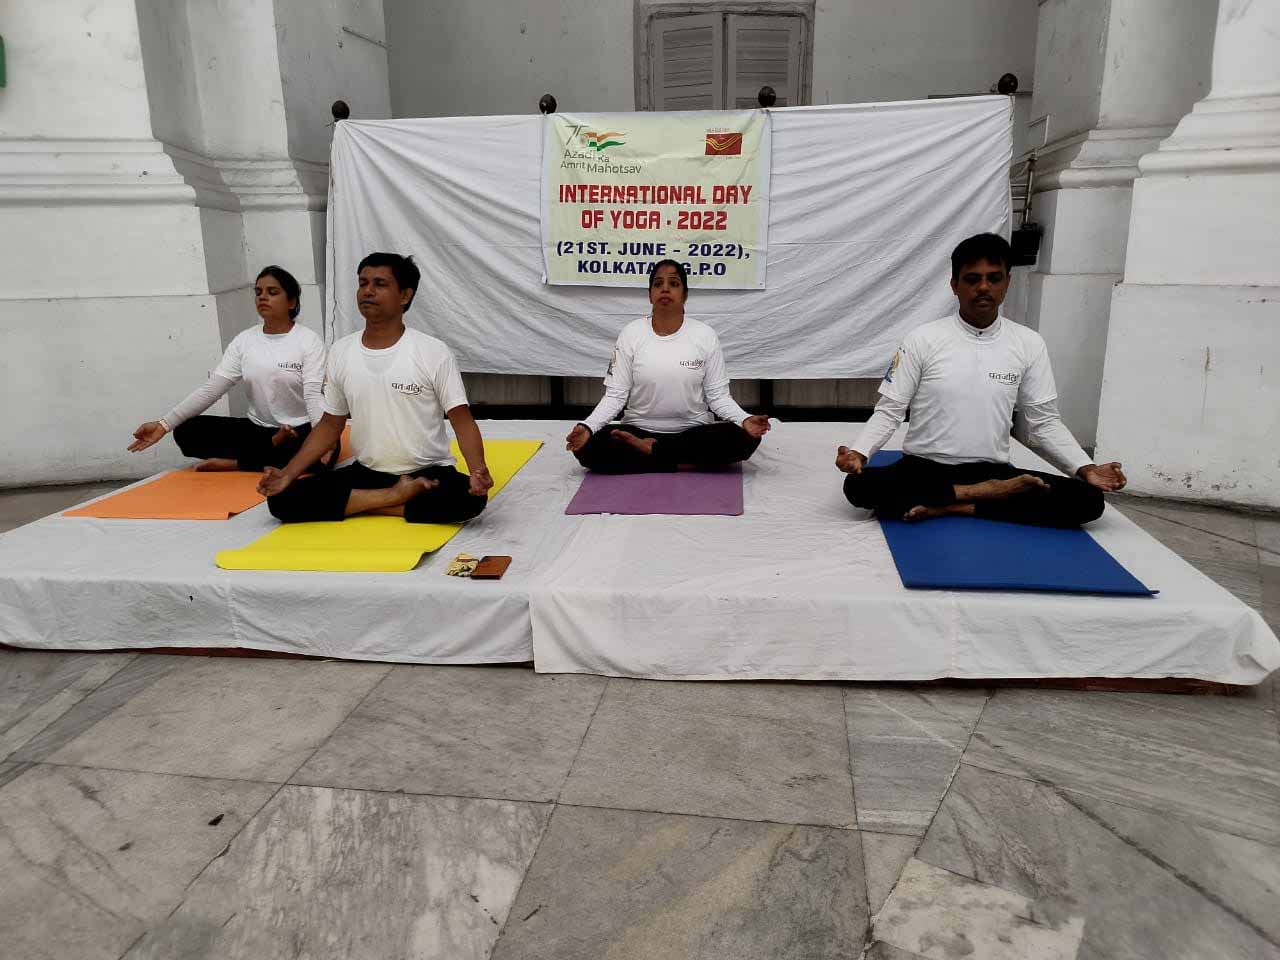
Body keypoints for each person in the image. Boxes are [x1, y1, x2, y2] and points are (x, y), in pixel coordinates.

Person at [837, 233, 1125, 527]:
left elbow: (1045, 421)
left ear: (1007, 283)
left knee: (1087, 500)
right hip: (923, 469)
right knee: (858, 487)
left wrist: (1086, 468)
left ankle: (952, 505)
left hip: (992, 471)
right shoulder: (922, 339)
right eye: (972, 279)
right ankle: (983, 496)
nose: (983, 287)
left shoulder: (1028, 343)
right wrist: (860, 452)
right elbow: (890, 409)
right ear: (954, 285)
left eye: (994, 278)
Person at [258, 252, 492, 523]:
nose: (367, 291)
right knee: (281, 500)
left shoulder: (433, 352)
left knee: (469, 499)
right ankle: (394, 498)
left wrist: (478, 470)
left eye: (380, 284)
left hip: (428, 472)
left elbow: (462, 421)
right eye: (362, 283)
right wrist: (287, 473)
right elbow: (329, 425)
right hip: (367, 473)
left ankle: (365, 503)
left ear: (404, 296)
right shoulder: (341, 351)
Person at [565, 259, 770, 473]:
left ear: (685, 294)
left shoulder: (705, 335)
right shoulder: (631, 333)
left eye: (673, 283)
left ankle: (650, 454)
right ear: (650, 294)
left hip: (693, 431)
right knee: (587, 447)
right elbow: (615, 396)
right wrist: (588, 427)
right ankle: (676, 460)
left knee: (745, 438)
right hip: (637, 429)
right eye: (658, 284)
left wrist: (744, 419)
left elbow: (718, 397)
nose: (665, 288)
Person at [127, 265, 327, 471]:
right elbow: (212, 389)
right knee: (186, 431)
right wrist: (163, 425)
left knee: (324, 451)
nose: (263, 297)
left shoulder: (308, 341)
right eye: (258, 292)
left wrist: (323, 441)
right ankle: (271, 451)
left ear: (292, 302)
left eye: (272, 292)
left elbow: (313, 395)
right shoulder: (245, 340)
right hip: (258, 429)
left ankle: (240, 462)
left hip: (299, 429)